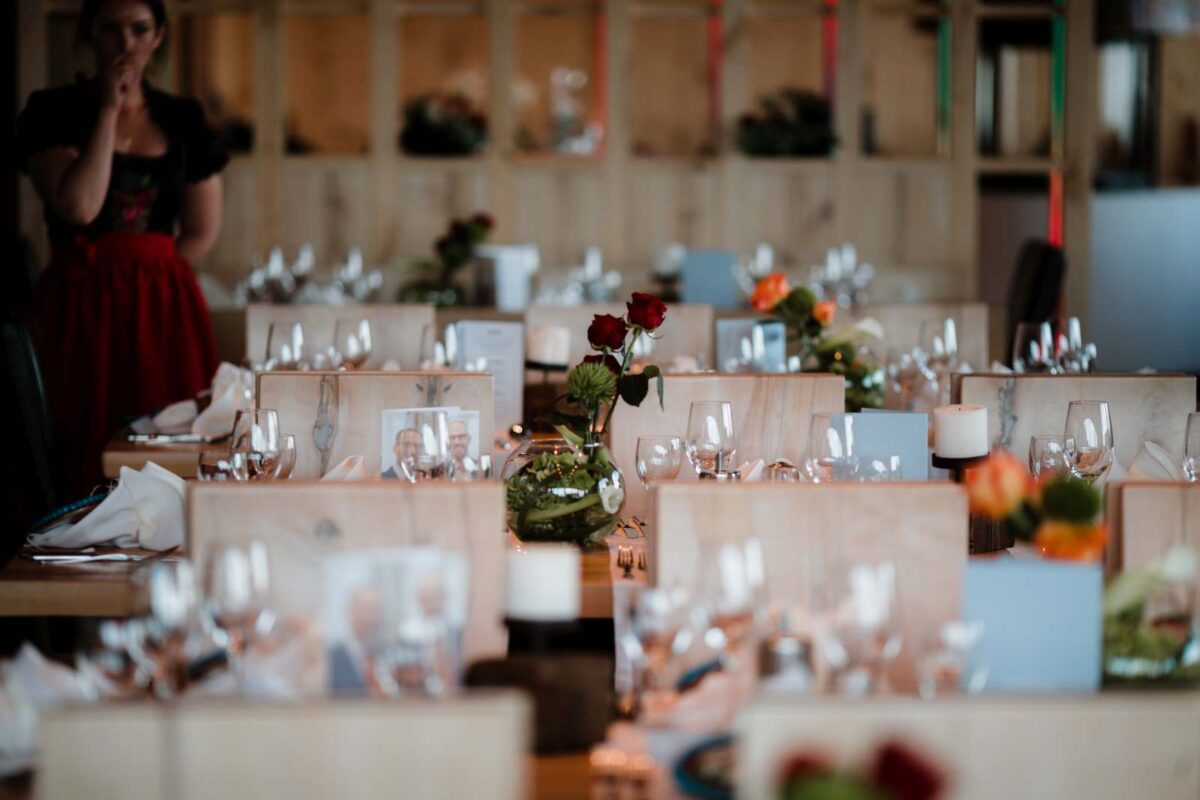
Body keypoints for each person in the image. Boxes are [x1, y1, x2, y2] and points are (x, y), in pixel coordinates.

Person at [16, 0, 225, 497]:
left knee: (168, 437)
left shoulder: (182, 117)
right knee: (76, 433)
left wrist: (154, 279)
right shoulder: (53, 110)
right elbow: (80, 207)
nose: (125, 42)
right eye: (110, 29)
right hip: (79, 300)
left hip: (162, 304)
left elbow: (201, 228)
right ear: (90, 36)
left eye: (139, 29)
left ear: (158, 36)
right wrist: (110, 108)